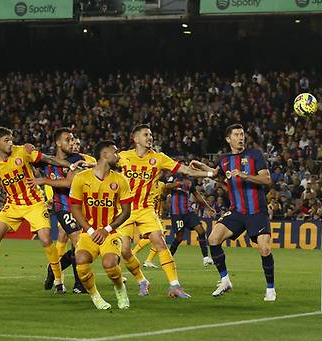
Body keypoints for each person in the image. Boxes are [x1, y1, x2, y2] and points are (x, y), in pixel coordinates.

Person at [0, 127, 79, 293]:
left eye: (11, 139)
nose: (10, 143)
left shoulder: (23, 151)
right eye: (6, 140)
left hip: (34, 203)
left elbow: (49, 159)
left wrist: (69, 165)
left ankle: (58, 280)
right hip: (13, 205)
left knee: (45, 239)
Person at [117, 124, 215, 298]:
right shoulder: (123, 156)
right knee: (125, 251)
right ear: (135, 138)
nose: (150, 137)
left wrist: (208, 175)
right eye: (146, 134)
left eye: (151, 135)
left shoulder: (159, 158)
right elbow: (102, 164)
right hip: (125, 210)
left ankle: (175, 286)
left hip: (146, 209)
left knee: (160, 243)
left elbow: (185, 170)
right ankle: (142, 281)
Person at [190, 124, 275, 300]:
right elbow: (215, 174)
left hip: (257, 211)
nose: (241, 137)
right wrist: (200, 167)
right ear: (229, 139)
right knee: (213, 239)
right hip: (237, 211)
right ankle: (225, 280)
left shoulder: (254, 155)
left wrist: (245, 176)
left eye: (242, 134)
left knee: (264, 249)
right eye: (236, 134)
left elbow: (267, 179)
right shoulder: (225, 160)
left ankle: (270, 289)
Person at [69, 140, 133, 309]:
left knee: (110, 264)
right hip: (88, 233)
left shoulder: (120, 180)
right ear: (104, 154)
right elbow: (75, 208)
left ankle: (120, 289)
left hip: (110, 233)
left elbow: (126, 211)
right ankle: (95, 296)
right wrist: (90, 231)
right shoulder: (81, 178)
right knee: (81, 262)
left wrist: (106, 230)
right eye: (115, 152)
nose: (118, 156)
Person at [33, 128, 92, 294]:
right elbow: (27, 158)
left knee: (80, 246)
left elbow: (68, 183)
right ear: (58, 143)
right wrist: (28, 149)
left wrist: (44, 180)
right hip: (62, 207)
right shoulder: (46, 161)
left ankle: (54, 268)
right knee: (77, 240)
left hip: (80, 207)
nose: (72, 142)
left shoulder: (77, 159)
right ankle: (79, 284)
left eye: (72, 139)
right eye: (68, 139)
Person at [163, 173, 215, 266]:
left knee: (201, 231)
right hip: (177, 214)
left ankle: (206, 257)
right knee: (179, 237)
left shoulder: (190, 182)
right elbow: (166, 187)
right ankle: (168, 258)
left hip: (188, 212)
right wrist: (178, 183)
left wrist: (208, 207)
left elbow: (197, 195)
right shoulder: (173, 177)